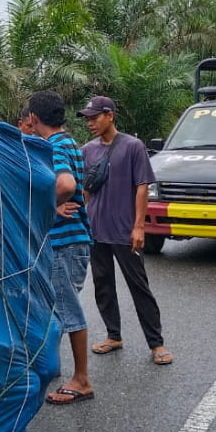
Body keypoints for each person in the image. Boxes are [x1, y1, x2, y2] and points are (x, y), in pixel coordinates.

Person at [78, 95, 173, 365]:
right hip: (96, 230)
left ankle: (156, 344)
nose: (90, 123)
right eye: (87, 119)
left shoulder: (133, 146)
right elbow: (86, 190)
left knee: (138, 286)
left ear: (110, 115)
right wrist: (80, 221)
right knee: (103, 285)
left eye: (94, 117)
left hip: (125, 231)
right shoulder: (88, 150)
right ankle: (113, 335)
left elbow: (142, 186)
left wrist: (139, 226)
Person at [25, 90, 95, 405]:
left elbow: (65, 185)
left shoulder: (53, 145)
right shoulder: (69, 142)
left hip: (63, 242)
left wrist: (49, 206)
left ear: (34, 119)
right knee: (56, 308)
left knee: (67, 309)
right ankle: (50, 365)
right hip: (76, 239)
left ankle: (81, 379)